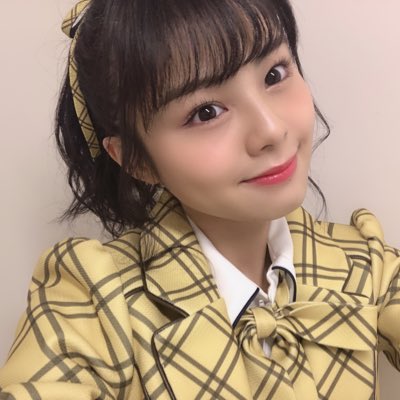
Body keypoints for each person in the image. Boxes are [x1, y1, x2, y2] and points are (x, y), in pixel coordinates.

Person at [0, 0, 399, 398]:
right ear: (136, 160)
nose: (271, 130)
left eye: (274, 74)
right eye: (206, 112)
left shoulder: (363, 260)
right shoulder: (94, 304)